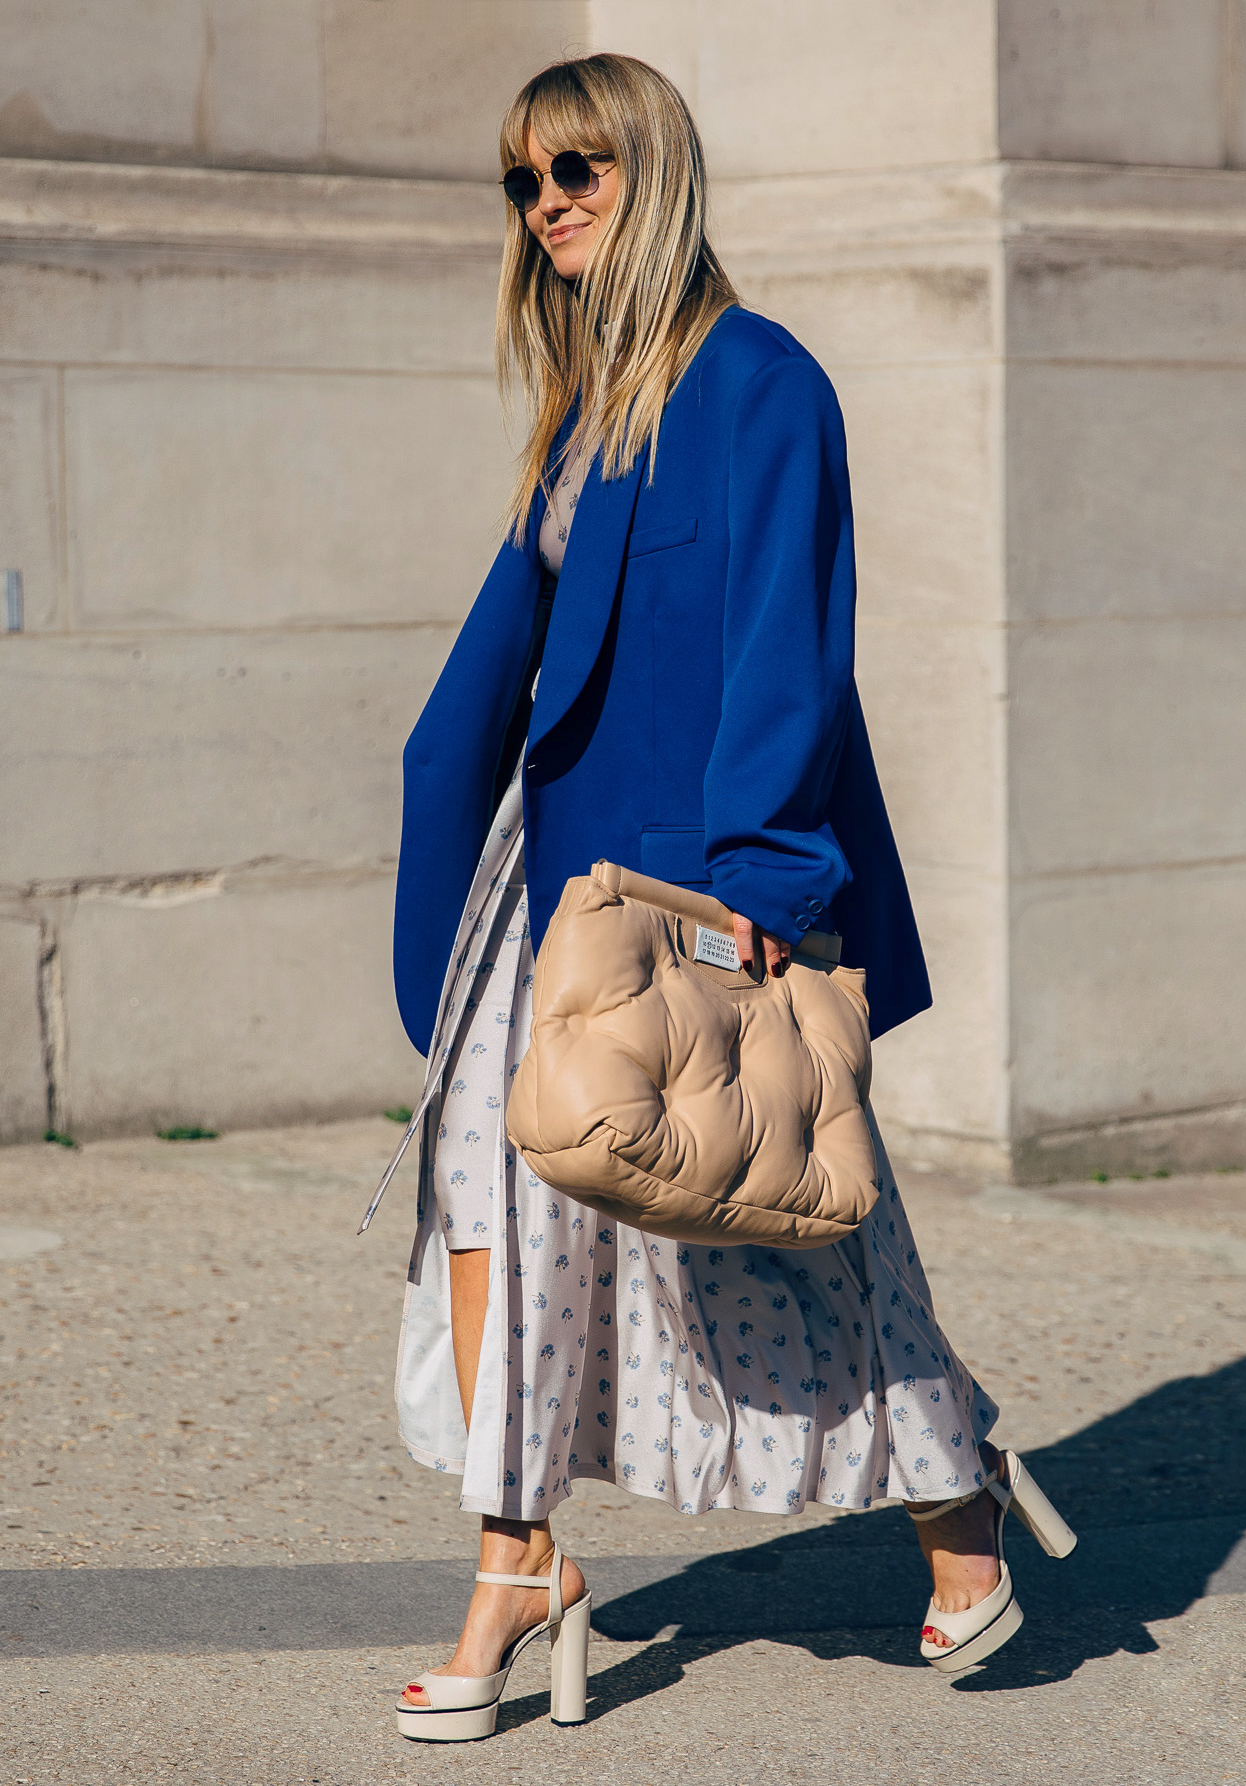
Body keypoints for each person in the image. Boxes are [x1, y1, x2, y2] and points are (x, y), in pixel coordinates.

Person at [381, 52, 1075, 1744]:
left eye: (581, 169)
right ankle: (516, 1559)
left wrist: (764, 870)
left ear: (655, 171)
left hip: (695, 880)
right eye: (526, 180)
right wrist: (437, 833)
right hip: (549, 885)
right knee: (486, 1189)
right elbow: (495, 670)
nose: (549, 204)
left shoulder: (763, 383)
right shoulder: (583, 407)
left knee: (782, 1218)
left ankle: (959, 1491)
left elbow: (790, 645)